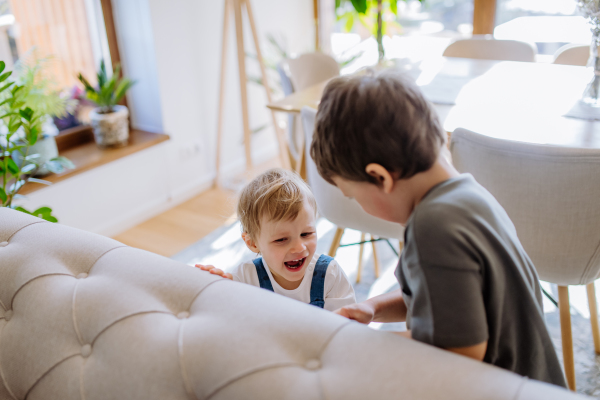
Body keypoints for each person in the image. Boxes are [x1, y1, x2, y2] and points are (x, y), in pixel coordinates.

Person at [309, 71, 567, 388]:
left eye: (352, 196)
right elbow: (445, 301)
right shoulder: (469, 195)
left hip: (500, 389)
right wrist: (371, 308)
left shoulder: (432, 228)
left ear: (380, 178)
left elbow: (458, 352)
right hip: (535, 382)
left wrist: (359, 346)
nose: (357, 205)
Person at [197, 168, 356, 312]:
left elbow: (347, 329)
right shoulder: (244, 278)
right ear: (252, 243)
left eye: (306, 234)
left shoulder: (330, 275)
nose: (299, 247)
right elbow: (229, 318)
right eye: (281, 240)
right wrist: (218, 288)